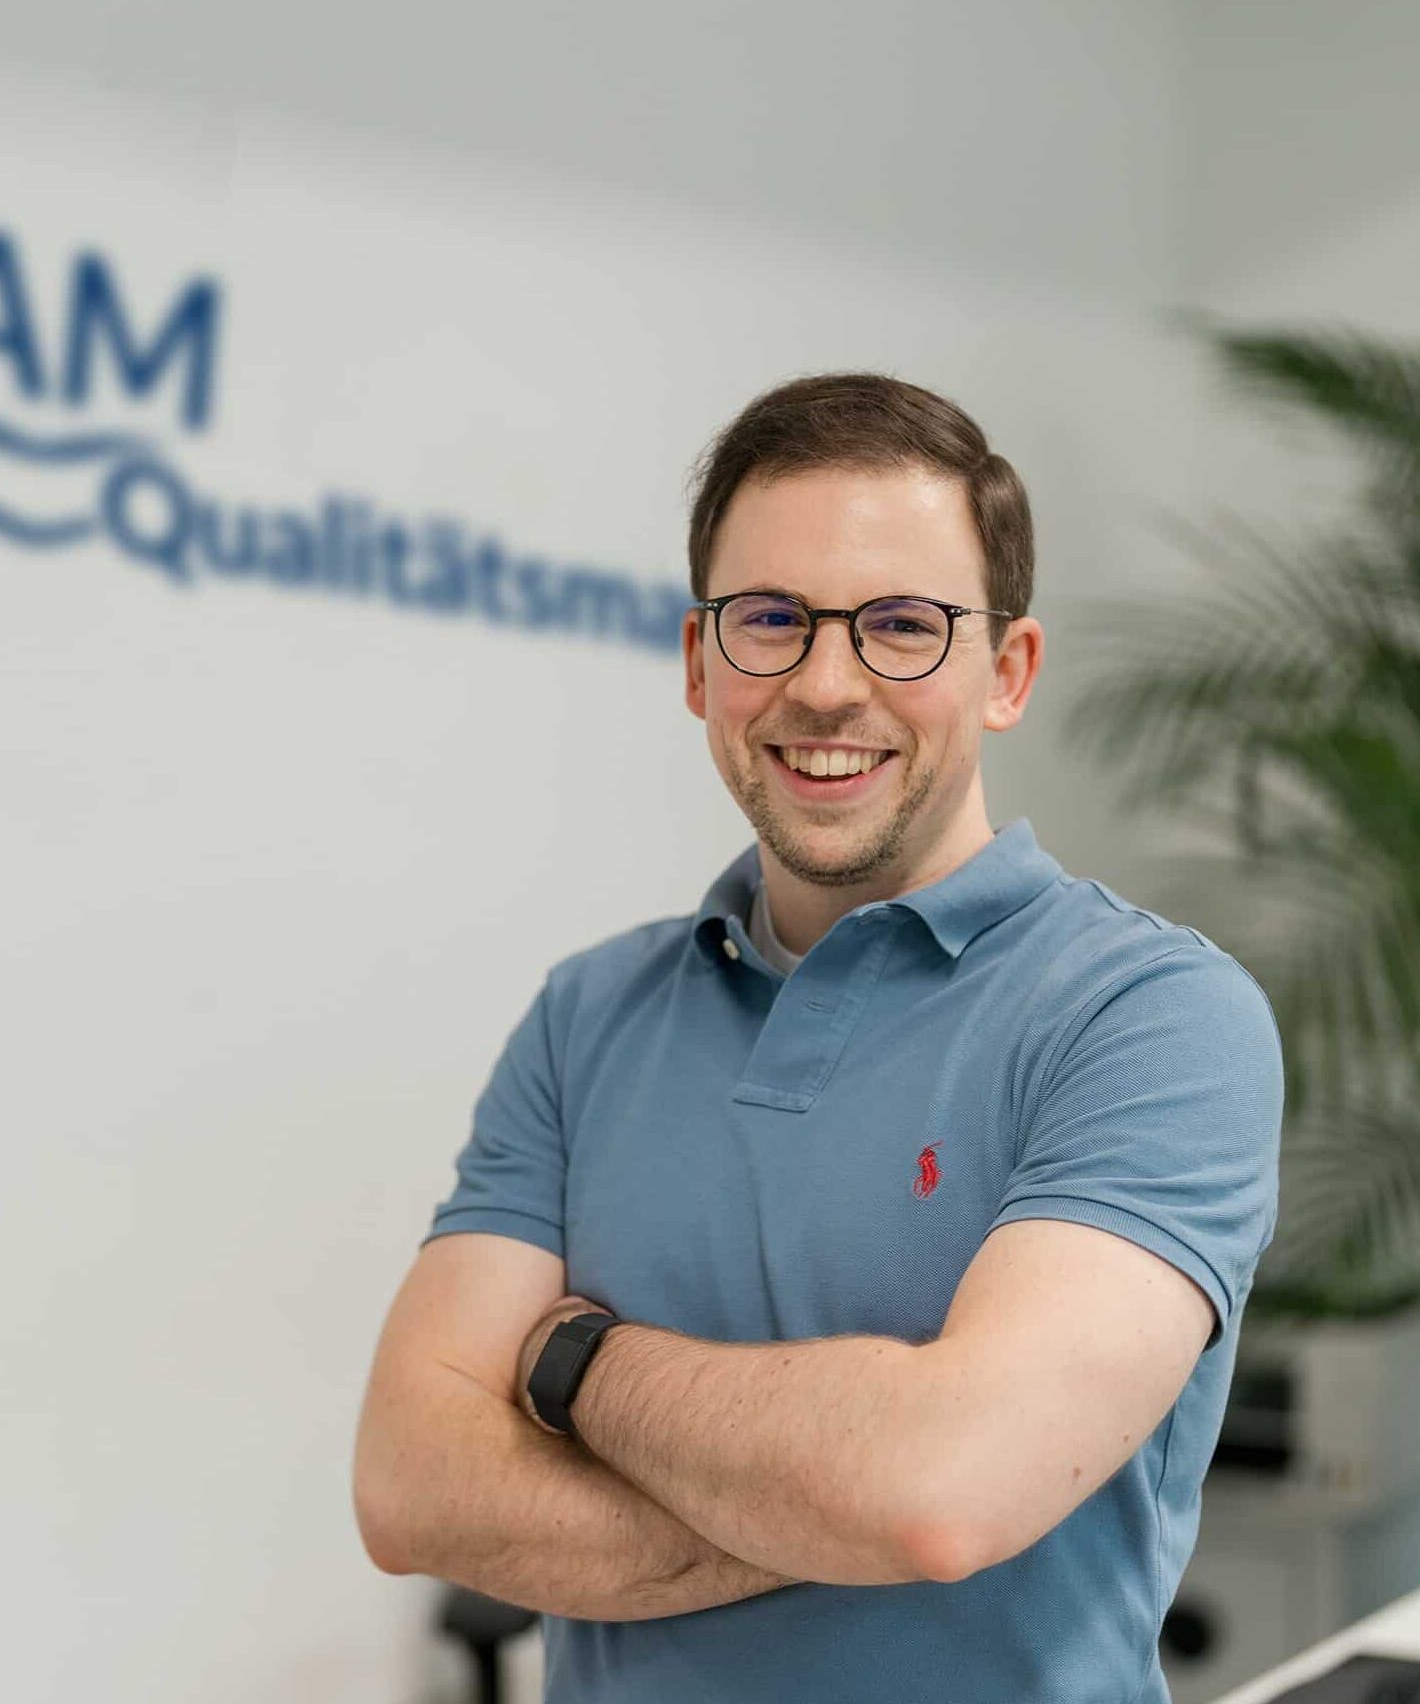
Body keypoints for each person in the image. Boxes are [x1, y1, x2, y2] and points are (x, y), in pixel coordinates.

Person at [353, 372, 1285, 1703]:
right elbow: (410, 1484)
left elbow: (941, 1494)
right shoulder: (587, 1017)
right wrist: (843, 1489)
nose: (826, 684)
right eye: (770, 620)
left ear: (1008, 672)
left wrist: (576, 1366)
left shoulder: (1150, 1016)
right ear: (700, 665)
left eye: (903, 625)